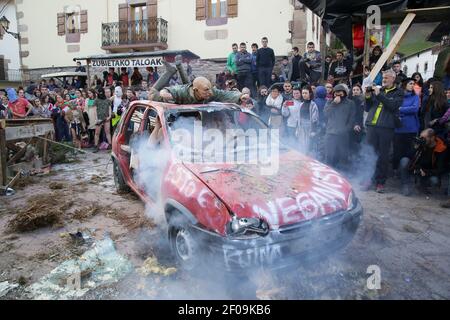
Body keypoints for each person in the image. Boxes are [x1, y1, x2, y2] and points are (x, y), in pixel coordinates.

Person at [363, 69, 403, 193]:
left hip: (386, 127)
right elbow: (367, 108)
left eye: (386, 78)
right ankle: (368, 179)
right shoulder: (378, 90)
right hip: (372, 126)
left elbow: (392, 106)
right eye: (383, 78)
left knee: (383, 157)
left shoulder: (399, 92)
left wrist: (379, 94)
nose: (383, 80)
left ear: (393, 78)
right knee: (370, 155)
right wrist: (368, 96)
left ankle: (380, 182)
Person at [399, 128, 448, 195]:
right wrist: (415, 148)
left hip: (429, 171)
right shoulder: (421, 144)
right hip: (417, 168)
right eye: (421, 137)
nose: (421, 139)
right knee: (404, 161)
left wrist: (426, 172)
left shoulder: (441, 148)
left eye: (424, 138)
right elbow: (408, 156)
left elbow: (440, 169)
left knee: (434, 180)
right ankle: (406, 185)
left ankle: (423, 186)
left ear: (432, 138)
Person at [324, 84, 356, 168]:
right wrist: (334, 103)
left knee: (343, 156)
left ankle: (343, 174)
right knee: (329, 156)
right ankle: (328, 173)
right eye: (336, 93)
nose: (338, 95)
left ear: (344, 93)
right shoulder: (330, 102)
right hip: (331, 133)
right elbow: (326, 114)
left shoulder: (350, 103)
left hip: (343, 134)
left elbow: (352, 118)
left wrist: (346, 129)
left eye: (340, 93)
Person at [393, 78, 420, 176]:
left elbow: (415, 109)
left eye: (413, 84)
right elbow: (394, 108)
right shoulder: (398, 96)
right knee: (397, 152)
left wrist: (401, 109)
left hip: (411, 128)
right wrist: (401, 110)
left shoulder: (415, 97)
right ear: (405, 84)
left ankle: (406, 171)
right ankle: (397, 171)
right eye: (410, 83)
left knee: (409, 152)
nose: (412, 85)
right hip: (398, 128)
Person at [158, 76, 249, 105]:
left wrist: (240, 96)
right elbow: (164, 91)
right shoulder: (182, 92)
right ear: (195, 90)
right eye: (206, 90)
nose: (210, 92)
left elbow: (225, 94)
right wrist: (166, 95)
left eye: (210, 89)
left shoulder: (212, 92)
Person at [297, 86, 319, 154]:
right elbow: (298, 118)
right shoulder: (301, 104)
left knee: (309, 147)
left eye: (306, 93)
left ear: (310, 94)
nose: (304, 95)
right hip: (301, 128)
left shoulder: (313, 105)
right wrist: (297, 129)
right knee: (301, 146)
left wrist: (313, 131)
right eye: (303, 93)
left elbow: (314, 118)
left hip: (309, 128)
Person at [92, 88, 112, 152]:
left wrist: (109, 116)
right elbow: (94, 110)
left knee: (107, 132)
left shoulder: (108, 100)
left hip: (106, 118)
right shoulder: (96, 100)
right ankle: (96, 146)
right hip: (99, 118)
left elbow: (109, 109)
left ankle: (110, 145)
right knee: (97, 133)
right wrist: (96, 119)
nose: (100, 93)